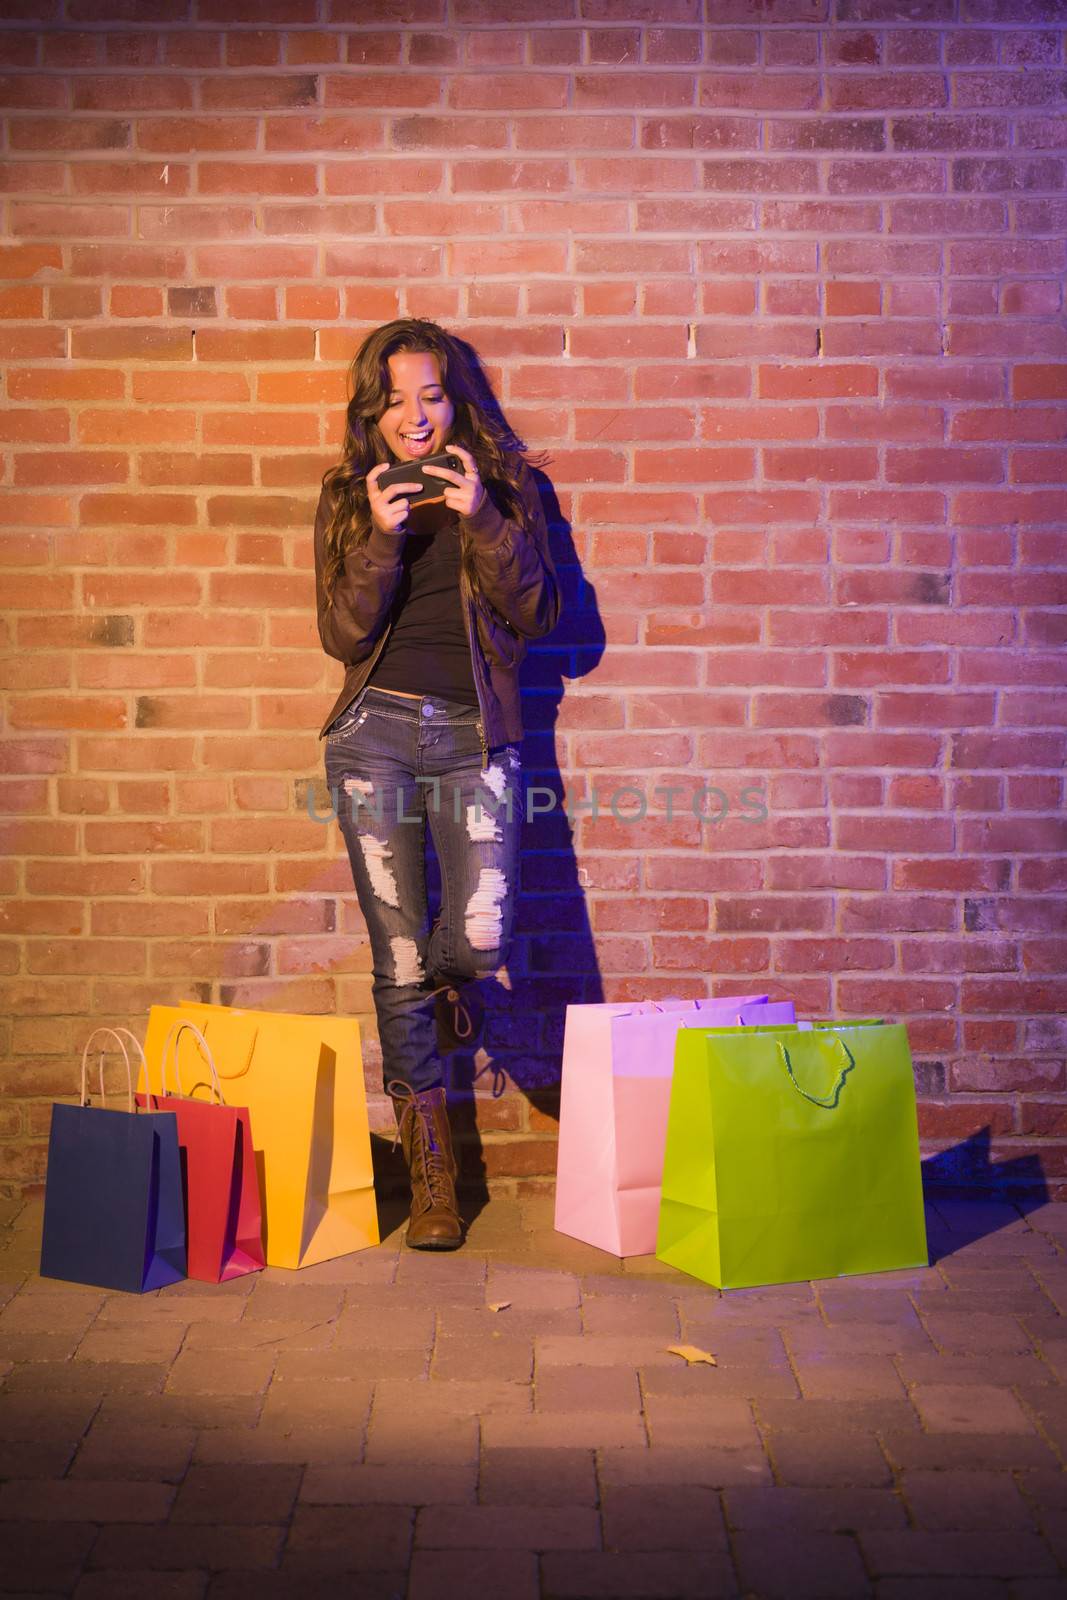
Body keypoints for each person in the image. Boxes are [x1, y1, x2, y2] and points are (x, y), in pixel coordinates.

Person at [313, 318, 562, 1250]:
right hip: (371, 736)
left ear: (456, 401)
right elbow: (341, 635)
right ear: (370, 414)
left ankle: (458, 988)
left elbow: (539, 613)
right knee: (399, 959)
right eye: (392, 401)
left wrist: (483, 520)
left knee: (477, 935)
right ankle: (435, 1178)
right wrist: (380, 538)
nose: (413, 420)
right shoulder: (347, 495)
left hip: (475, 739)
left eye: (430, 397)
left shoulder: (505, 489)